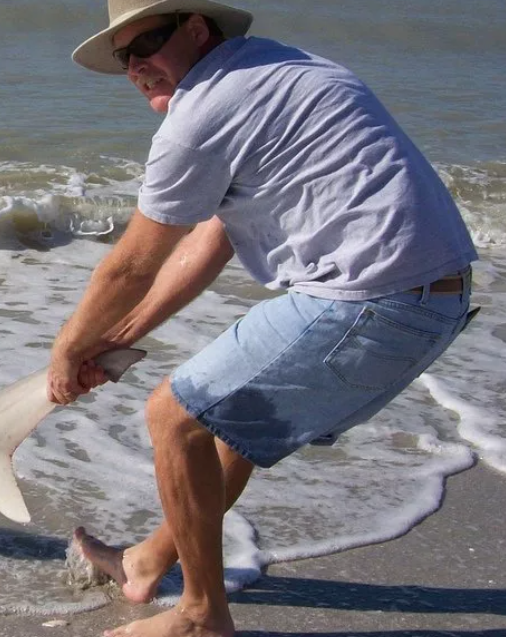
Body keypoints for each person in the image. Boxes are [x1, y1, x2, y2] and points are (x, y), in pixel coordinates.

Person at [46, 1, 479, 636]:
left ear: (198, 28)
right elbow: (211, 238)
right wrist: (117, 339)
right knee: (236, 423)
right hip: (433, 301)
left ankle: (200, 616)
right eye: (125, 57)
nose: (137, 66)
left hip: (373, 300)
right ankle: (149, 561)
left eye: (151, 42)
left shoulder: (201, 115)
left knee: (174, 415)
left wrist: (66, 351)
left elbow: (132, 265)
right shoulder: (278, 70)